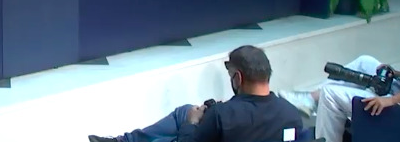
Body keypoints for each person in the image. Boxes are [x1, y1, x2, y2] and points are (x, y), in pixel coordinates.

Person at [88, 45, 303, 142]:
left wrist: (191, 123)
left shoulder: (222, 115)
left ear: (238, 78)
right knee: (184, 111)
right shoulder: (291, 115)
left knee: (183, 120)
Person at [279, 55, 400, 142]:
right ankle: (310, 99)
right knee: (364, 62)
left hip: (394, 103)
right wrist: (395, 73)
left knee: (329, 94)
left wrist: (391, 100)